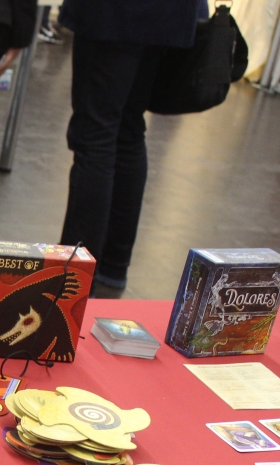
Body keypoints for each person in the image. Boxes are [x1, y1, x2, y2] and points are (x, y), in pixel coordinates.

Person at [57, 0, 205, 290]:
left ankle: (76, 275)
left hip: (114, 13)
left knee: (95, 135)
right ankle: (113, 266)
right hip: (170, 12)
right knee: (129, 129)